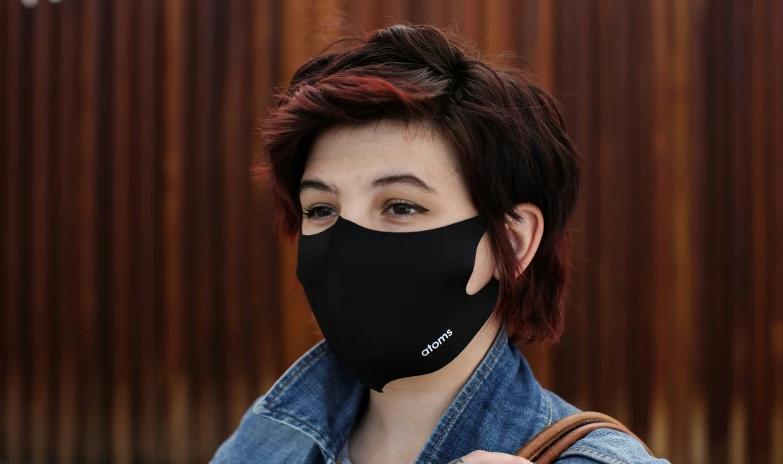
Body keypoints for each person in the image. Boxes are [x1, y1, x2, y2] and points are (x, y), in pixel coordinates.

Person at [210, 24, 668, 464]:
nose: (346, 248)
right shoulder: (268, 436)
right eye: (322, 210)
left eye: (401, 206)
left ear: (513, 241)